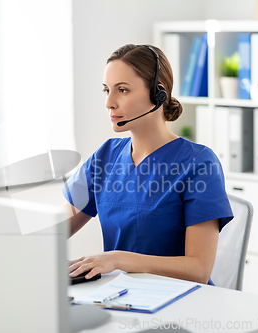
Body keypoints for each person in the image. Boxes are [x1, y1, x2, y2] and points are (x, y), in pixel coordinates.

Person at [64, 44, 234, 285]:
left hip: (182, 303)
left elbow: (199, 269)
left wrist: (118, 259)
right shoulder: (105, 157)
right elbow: (53, 231)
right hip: (121, 298)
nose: (109, 103)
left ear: (158, 94)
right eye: (107, 90)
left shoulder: (199, 164)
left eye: (122, 90)